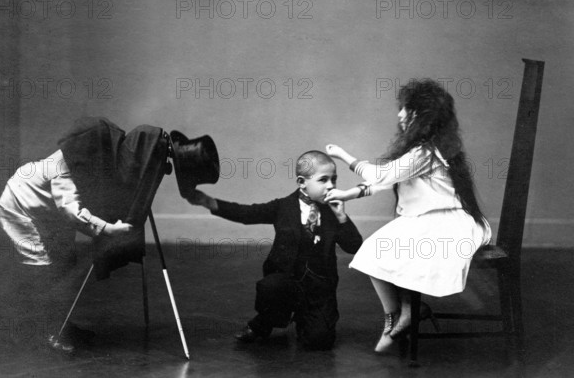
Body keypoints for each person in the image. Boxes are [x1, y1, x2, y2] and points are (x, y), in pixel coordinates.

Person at [325, 79, 492, 354]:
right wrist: (346, 195)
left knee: (391, 250)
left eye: (406, 109)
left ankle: (403, 315)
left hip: (449, 223)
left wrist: (344, 156)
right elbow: (383, 181)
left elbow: (380, 175)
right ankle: (399, 315)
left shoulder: (424, 152)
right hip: (430, 219)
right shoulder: (423, 150)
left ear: (421, 117)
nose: (400, 115)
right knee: (374, 252)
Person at [186, 150, 362, 350]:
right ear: (302, 182)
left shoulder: (333, 211)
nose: (331, 185)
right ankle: (265, 321)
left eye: (334, 180)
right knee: (272, 287)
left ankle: (304, 317)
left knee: (319, 341)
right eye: (323, 180)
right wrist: (210, 203)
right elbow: (247, 213)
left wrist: (342, 218)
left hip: (318, 289)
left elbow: (354, 246)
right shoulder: (283, 207)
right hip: (286, 281)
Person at [0, 148, 133, 353]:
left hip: (41, 209)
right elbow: (72, 212)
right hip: (19, 211)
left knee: (64, 262)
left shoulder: (73, 153)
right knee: (42, 270)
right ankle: (44, 332)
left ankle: (60, 323)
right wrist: (107, 228)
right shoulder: (65, 169)